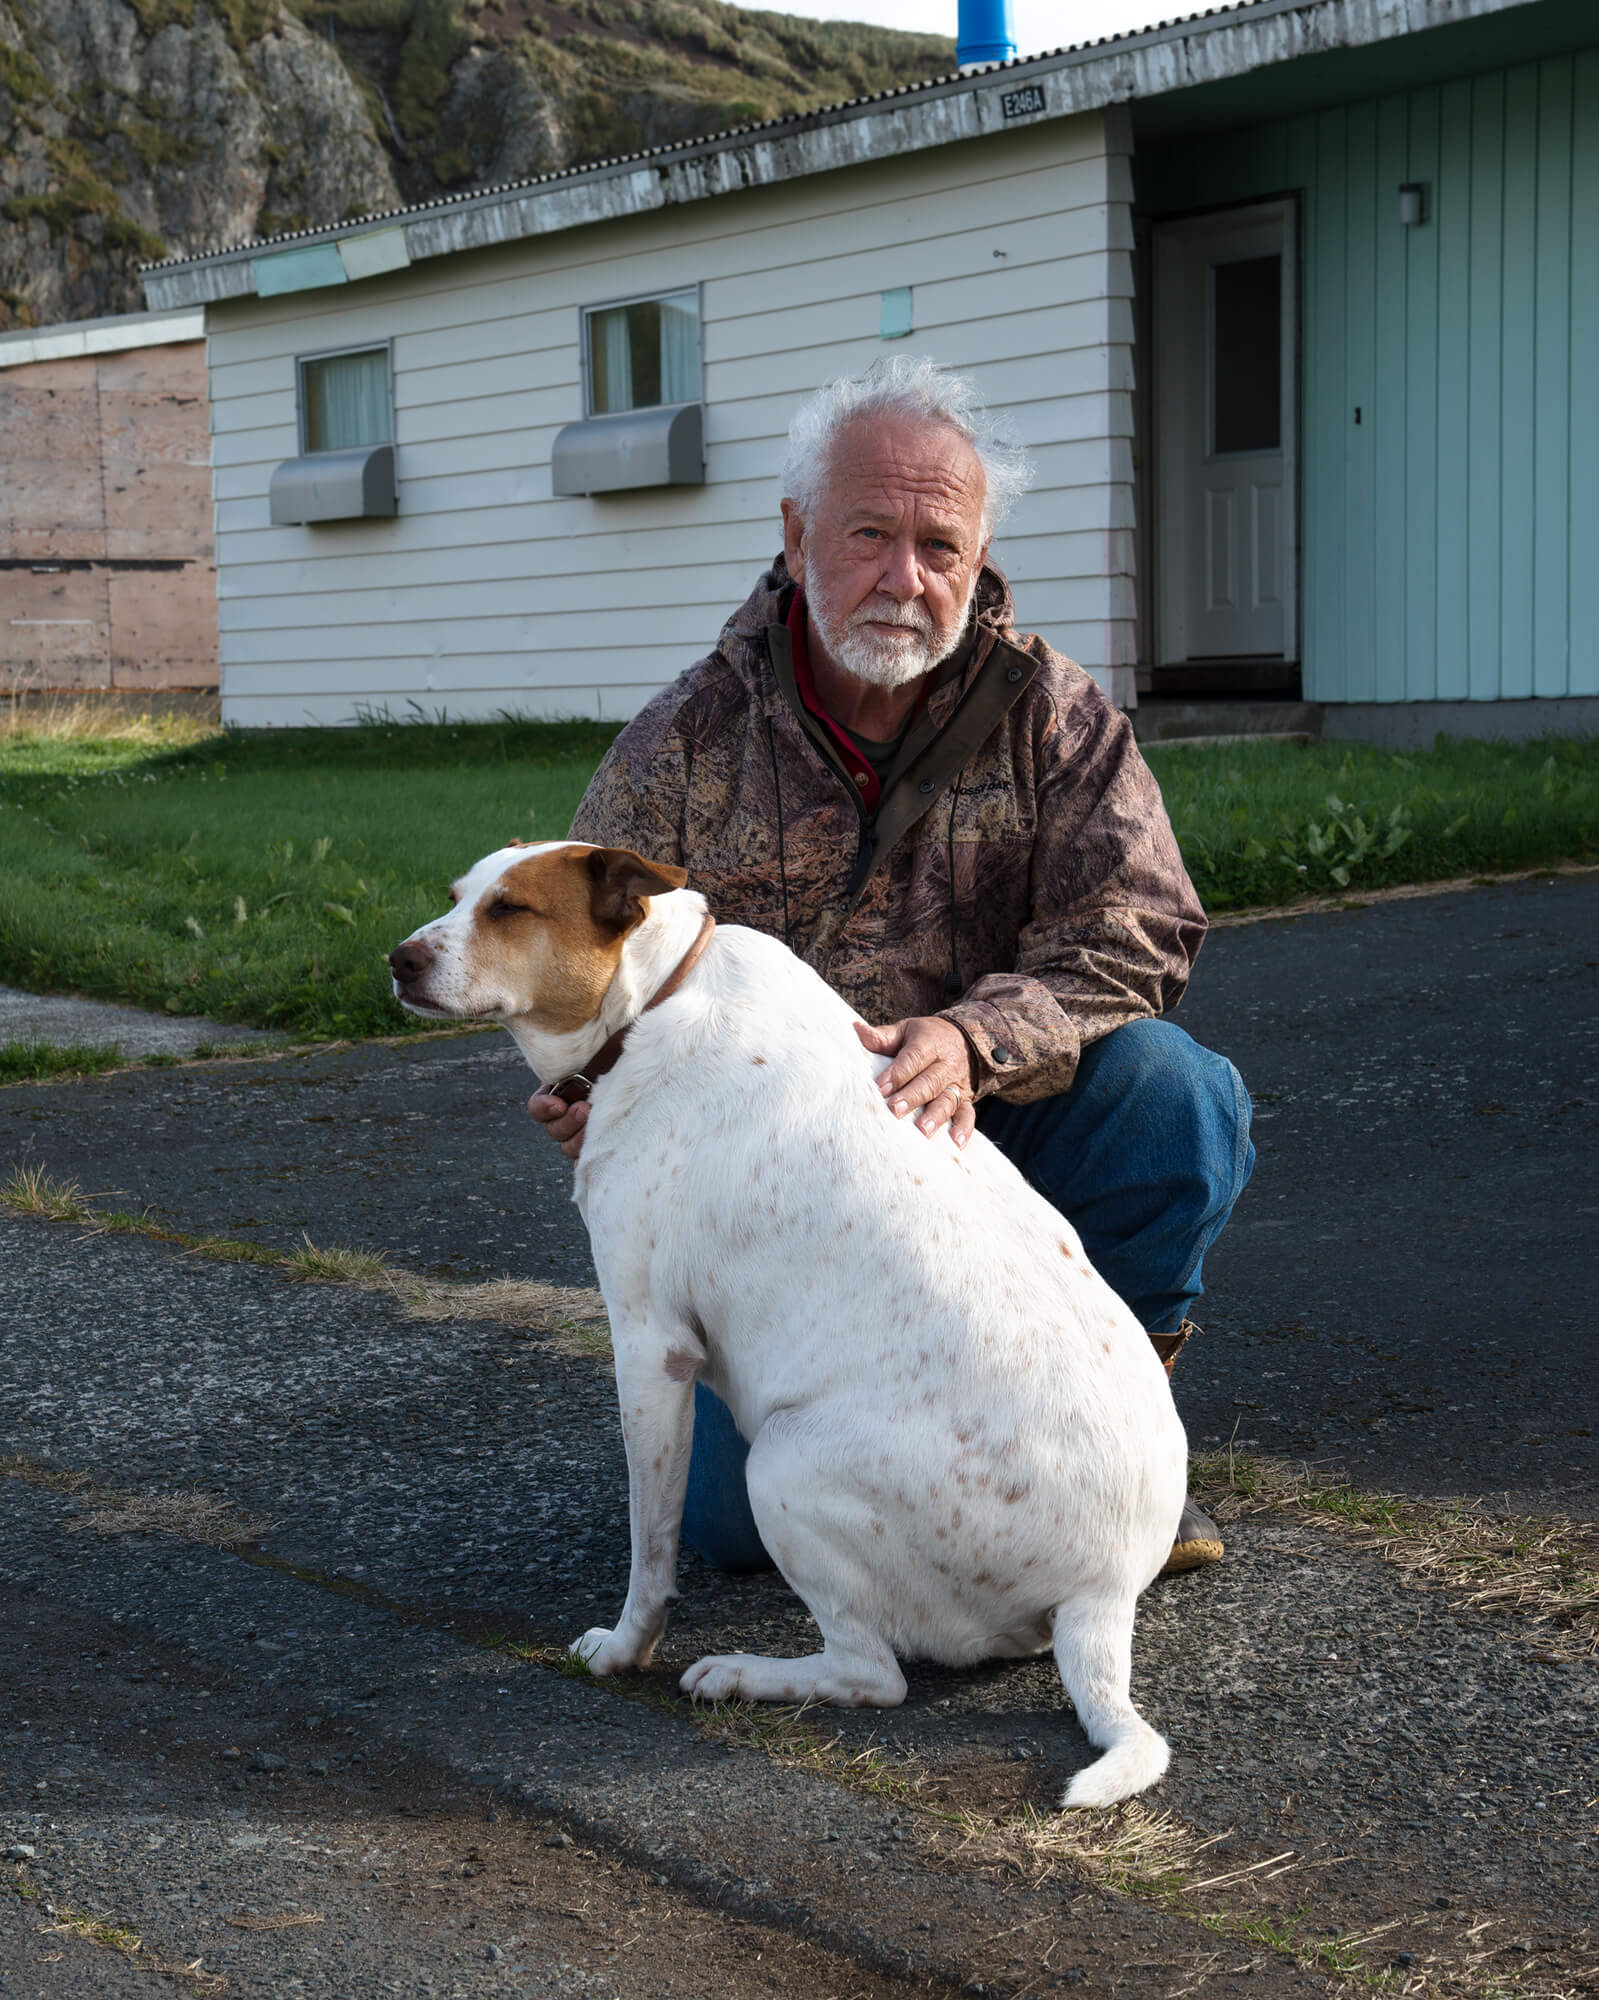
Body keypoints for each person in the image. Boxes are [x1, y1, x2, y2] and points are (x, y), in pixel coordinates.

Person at [530, 354, 1253, 1577]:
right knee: (729, 1532)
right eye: (869, 533)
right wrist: (594, 1095)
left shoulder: (1055, 716)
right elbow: (582, 973)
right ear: (797, 530)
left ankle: (1110, 1456)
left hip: (995, 1146)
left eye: (939, 544)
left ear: (976, 559)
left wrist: (975, 1037)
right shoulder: (682, 746)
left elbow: (1144, 922)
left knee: (1175, 1096)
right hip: (780, 1216)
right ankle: (888, 1452)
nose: (904, 578)